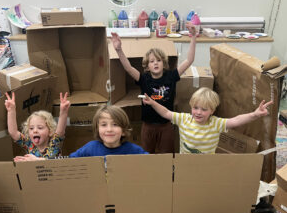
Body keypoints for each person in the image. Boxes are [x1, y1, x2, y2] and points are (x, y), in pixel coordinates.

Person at [111, 22, 196, 154]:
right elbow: (128, 68)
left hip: (166, 126)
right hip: (148, 126)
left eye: (158, 60)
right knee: (147, 157)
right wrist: (118, 50)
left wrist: (193, 37)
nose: (155, 63)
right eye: (151, 61)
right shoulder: (144, 78)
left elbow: (189, 60)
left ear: (164, 63)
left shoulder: (171, 76)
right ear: (147, 65)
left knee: (167, 157)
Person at [142, 87, 273, 154]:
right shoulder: (184, 119)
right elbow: (166, 112)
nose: (198, 112)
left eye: (204, 109)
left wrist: (255, 115)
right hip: (184, 164)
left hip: (206, 164)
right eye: (195, 108)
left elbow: (235, 120)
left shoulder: (216, 123)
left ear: (212, 111)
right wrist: (153, 103)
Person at [5, 91, 70, 161]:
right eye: (31, 128)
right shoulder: (29, 144)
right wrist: (11, 110)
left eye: (40, 128)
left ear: (50, 131)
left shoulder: (54, 143)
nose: (35, 131)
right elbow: (13, 132)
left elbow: (60, 130)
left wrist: (63, 111)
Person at [69, 105, 148, 157]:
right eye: (104, 125)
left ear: (123, 131)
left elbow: (151, 162)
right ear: (97, 129)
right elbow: (70, 161)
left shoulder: (134, 151)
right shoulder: (90, 148)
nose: (109, 129)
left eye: (115, 124)